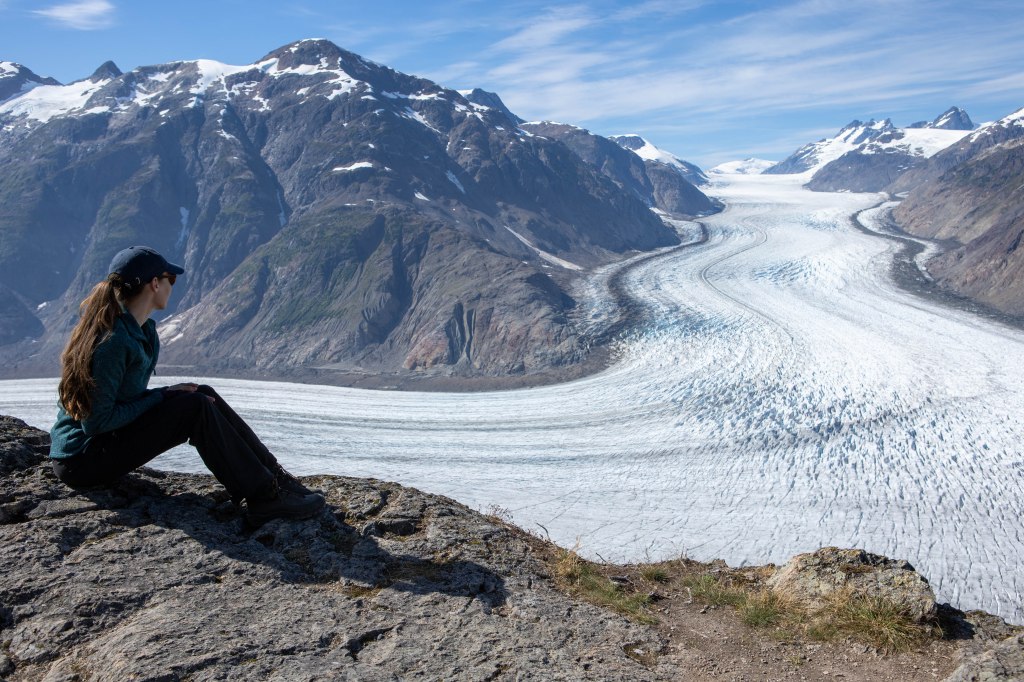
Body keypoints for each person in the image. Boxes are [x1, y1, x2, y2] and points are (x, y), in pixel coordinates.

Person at [49, 245, 325, 526]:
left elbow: (123, 400)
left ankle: (277, 479)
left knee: (202, 393)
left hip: (103, 443)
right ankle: (264, 498)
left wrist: (163, 396)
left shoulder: (143, 331)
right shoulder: (114, 341)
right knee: (193, 407)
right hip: (82, 460)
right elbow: (96, 423)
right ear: (154, 284)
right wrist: (160, 397)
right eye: (171, 278)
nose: (173, 286)